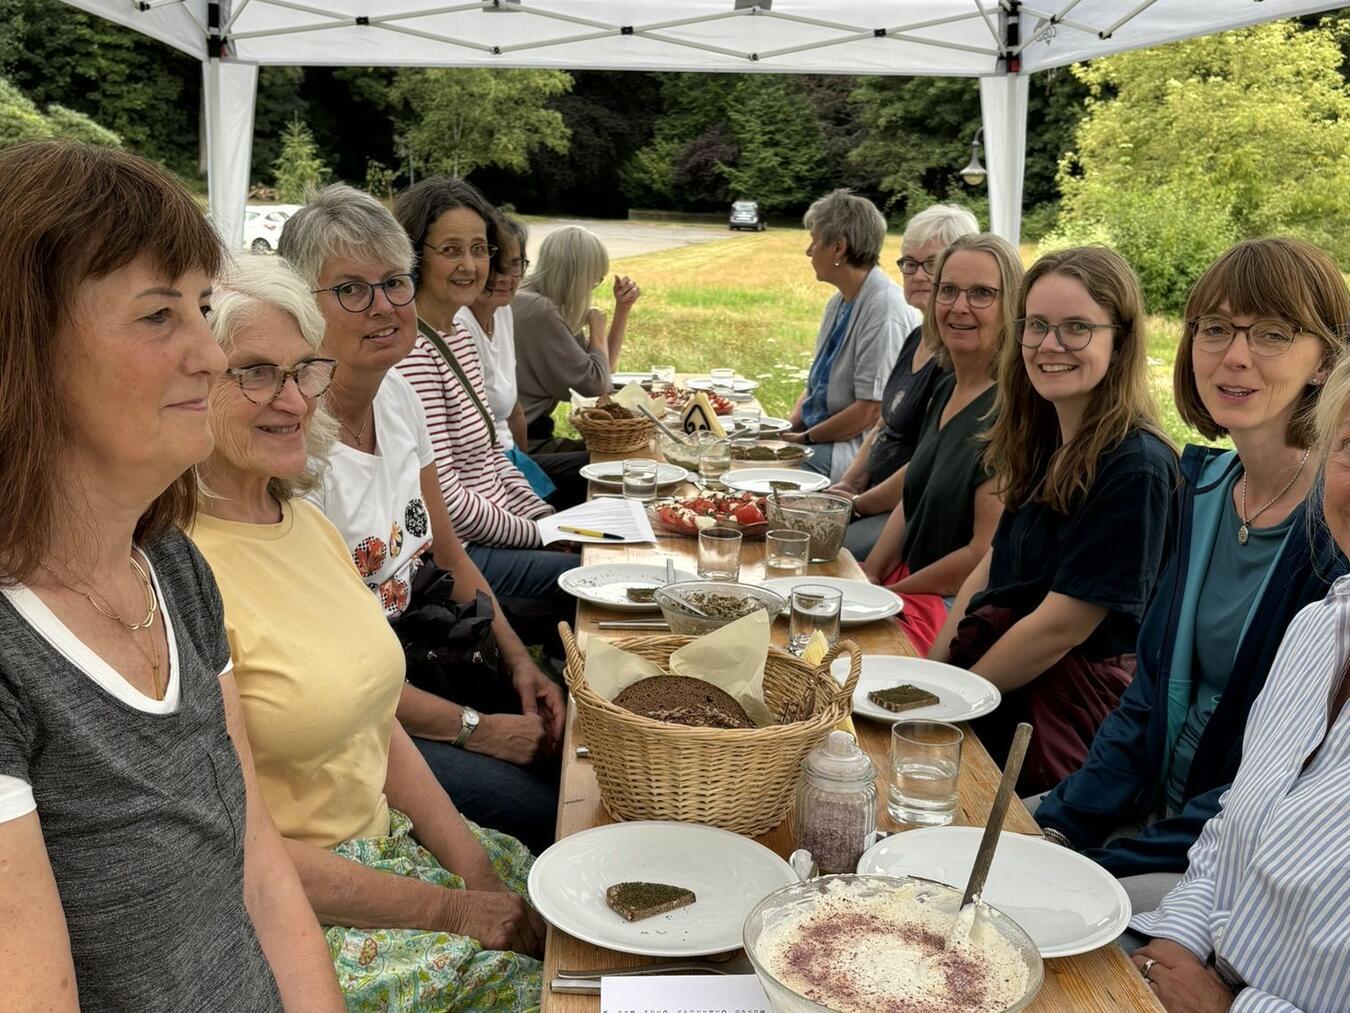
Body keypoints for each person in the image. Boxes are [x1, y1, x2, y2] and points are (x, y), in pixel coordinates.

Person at [0, 141, 342, 1010]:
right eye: (160, 316)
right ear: (23, 347)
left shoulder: (171, 568)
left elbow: (261, 872)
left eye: (202, 306)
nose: (212, 354)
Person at [192, 255, 543, 1010]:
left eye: (301, 372)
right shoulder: (180, 576)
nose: (291, 400)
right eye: (253, 373)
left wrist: (475, 870)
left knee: (568, 908)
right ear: (189, 383)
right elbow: (239, 855)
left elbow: (374, 720)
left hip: (389, 850)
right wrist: (455, 908)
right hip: (307, 908)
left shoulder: (305, 521)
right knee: (545, 991)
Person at [1033, 237, 1348, 916]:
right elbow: (1145, 699)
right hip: (1142, 816)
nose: (1234, 356)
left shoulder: (1335, 536)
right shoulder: (1201, 488)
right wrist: (1063, 823)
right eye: (1214, 328)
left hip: (1229, 863)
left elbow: (1276, 781)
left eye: (1271, 332)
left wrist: (1097, 863)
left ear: (1324, 359)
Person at [277, 184, 564, 856]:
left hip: (429, 656)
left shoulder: (397, 394)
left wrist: (521, 663)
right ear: (298, 305)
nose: (383, 306)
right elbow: (338, 673)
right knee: (550, 812)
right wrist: (477, 728)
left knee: (577, 748)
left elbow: (452, 553)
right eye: (351, 290)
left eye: (395, 282)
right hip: (361, 721)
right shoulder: (294, 456)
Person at [1126, 350, 1350, 1013]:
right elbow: (1233, 832)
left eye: (1272, 331)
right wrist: (1177, 939)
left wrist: (1232, 1008)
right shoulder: (1321, 628)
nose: (1237, 354)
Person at [928, 247, 1177, 793]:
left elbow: (1063, 625)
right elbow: (990, 566)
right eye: (1036, 326)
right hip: (1000, 686)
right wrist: (931, 674)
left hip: (1055, 724)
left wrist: (950, 704)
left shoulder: (1137, 466)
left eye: (1076, 328)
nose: (1049, 345)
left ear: (1121, 341)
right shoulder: (1045, 438)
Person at [393, 177, 578, 646]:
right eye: (451, 250)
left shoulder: (456, 330)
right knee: (593, 580)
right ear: (415, 255)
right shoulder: (412, 351)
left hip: (492, 530)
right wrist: (539, 535)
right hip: (461, 553)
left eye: (479, 249)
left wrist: (546, 518)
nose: (471, 265)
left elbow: (495, 457)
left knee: (599, 564)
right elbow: (449, 504)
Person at [860, 233, 1023, 655]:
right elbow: (911, 496)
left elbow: (978, 555)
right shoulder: (947, 387)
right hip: (906, 586)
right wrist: (869, 574)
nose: (958, 306)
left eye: (982, 294)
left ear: (1013, 308)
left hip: (947, 609)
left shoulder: (1012, 412)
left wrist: (889, 594)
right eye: (947, 290)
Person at [830, 203, 980, 558]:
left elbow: (927, 466)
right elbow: (883, 423)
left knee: (821, 548)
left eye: (932, 264)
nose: (918, 275)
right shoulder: (917, 337)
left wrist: (858, 504)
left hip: (910, 513)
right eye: (909, 263)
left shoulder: (958, 356)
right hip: (872, 496)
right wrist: (849, 482)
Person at [783, 188, 920, 482]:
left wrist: (804, 439)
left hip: (849, 452)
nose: (809, 251)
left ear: (838, 248)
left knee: (758, 475)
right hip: (820, 439)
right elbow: (816, 385)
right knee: (742, 455)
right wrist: (786, 427)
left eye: (814, 241)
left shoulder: (884, 308)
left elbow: (869, 410)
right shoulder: (841, 300)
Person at [455, 216, 590, 509]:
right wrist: (526, 491)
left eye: (515, 264)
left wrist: (529, 473)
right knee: (596, 482)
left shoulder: (503, 312)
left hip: (511, 460)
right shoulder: (459, 327)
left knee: (607, 472)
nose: (506, 276)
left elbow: (514, 410)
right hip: (484, 476)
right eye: (496, 264)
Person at [513, 225, 640, 453]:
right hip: (522, 442)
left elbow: (603, 371)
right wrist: (597, 328)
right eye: (593, 279)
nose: (592, 287)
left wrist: (623, 309)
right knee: (619, 459)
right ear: (577, 276)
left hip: (527, 432)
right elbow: (595, 385)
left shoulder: (542, 301)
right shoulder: (539, 310)